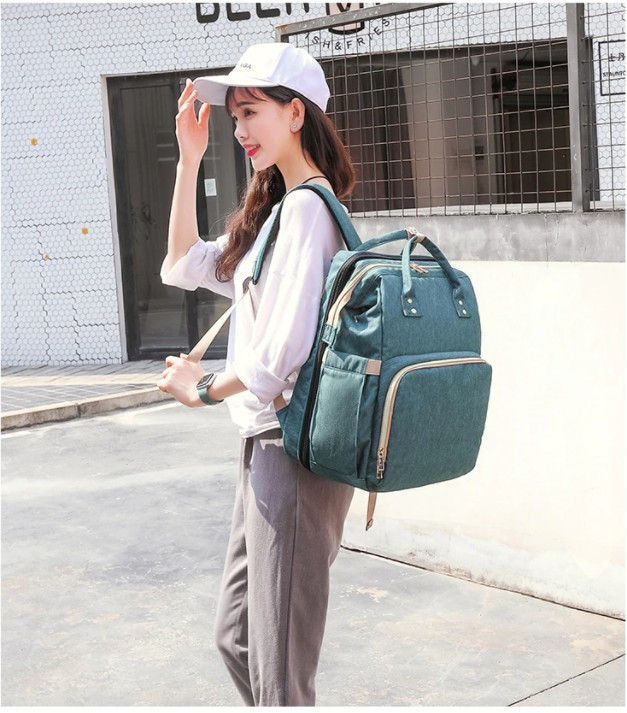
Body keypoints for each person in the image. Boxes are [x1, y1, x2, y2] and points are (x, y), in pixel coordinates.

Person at [156, 43, 356, 706]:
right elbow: (182, 264)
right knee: (238, 639)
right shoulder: (279, 212)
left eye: (251, 111)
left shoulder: (306, 211)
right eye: (235, 115)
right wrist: (188, 160)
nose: (239, 128)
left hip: (290, 452)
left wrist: (201, 388)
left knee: (279, 672)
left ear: (296, 114)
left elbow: (278, 356)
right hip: (264, 449)